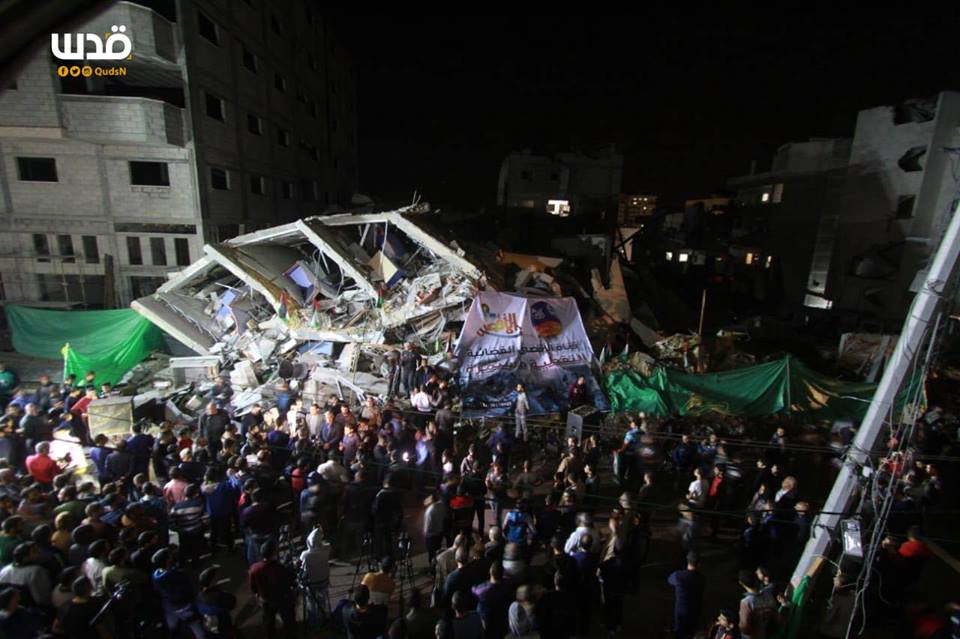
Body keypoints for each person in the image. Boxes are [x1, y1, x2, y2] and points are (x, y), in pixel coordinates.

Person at [249, 540, 297, 639]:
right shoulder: (279, 568)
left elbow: (253, 586)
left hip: (266, 600)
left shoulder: (254, 568)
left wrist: (258, 594)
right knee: (288, 621)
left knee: (268, 623)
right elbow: (290, 582)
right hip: (282, 599)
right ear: (273, 553)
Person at [152, 548, 204, 639]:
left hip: (168, 606)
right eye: (170, 556)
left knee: (172, 625)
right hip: (182, 605)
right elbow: (187, 588)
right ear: (167, 560)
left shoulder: (155, 575)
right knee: (195, 624)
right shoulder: (175, 574)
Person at [667, 551, 705, 639]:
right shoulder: (702, 579)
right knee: (691, 633)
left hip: (681, 611)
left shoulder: (679, 576)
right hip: (695, 611)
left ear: (687, 561)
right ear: (699, 564)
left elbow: (669, 580)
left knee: (680, 633)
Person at [196, 566, 238, 638]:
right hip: (223, 627)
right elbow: (232, 603)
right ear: (212, 581)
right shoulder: (220, 595)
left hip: (210, 629)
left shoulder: (199, 596)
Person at [737, 569, 776, 639]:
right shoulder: (769, 596)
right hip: (768, 634)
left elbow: (744, 626)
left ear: (741, 583)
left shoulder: (746, 602)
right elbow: (776, 617)